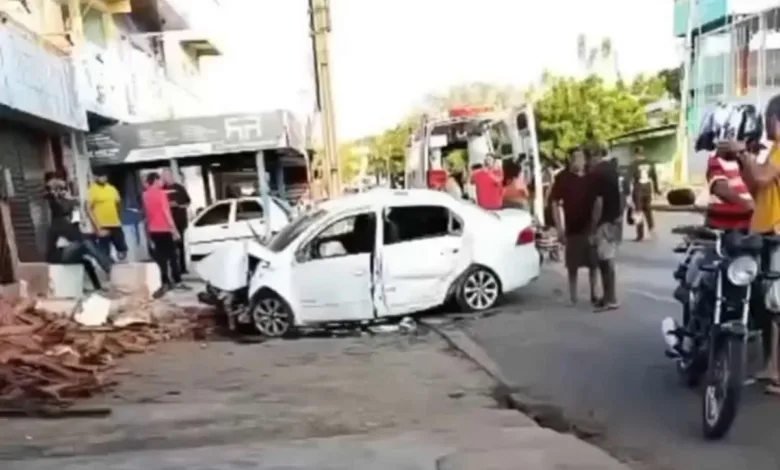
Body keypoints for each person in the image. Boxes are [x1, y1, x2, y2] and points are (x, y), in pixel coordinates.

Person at [737, 96, 780, 394]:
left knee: (776, 306)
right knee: (767, 306)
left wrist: (746, 156)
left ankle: (776, 371)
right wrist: (744, 158)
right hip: (765, 234)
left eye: (767, 118)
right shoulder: (773, 153)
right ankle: (771, 366)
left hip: (776, 236)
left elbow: (762, 179)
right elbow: (754, 186)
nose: (764, 125)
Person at [44, 172, 112, 291]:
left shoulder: (69, 221)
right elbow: (76, 236)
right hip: (57, 255)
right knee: (86, 244)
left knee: (86, 260)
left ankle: (98, 287)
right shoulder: (58, 222)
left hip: (66, 251)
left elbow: (76, 234)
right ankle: (109, 267)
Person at [549, 148, 599, 306]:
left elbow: (599, 200)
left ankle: (594, 293)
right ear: (569, 160)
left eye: (580, 158)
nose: (578, 161)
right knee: (573, 265)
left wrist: (598, 225)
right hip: (572, 228)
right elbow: (554, 203)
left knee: (593, 263)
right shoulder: (562, 178)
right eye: (574, 158)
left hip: (591, 227)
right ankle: (573, 296)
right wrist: (559, 228)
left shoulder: (591, 177)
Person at [589, 147, 623, 311]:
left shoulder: (598, 174)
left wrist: (593, 227)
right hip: (616, 220)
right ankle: (609, 296)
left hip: (604, 222)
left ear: (594, 157)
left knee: (605, 261)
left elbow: (598, 203)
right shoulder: (614, 170)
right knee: (608, 259)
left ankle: (611, 298)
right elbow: (622, 195)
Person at [143, 172, 182, 298]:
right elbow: (166, 212)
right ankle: (176, 280)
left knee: (161, 258)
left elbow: (147, 215)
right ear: (155, 181)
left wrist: (148, 232)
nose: (162, 183)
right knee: (172, 256)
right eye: (160, 180)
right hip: (164, 229)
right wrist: (174, 229)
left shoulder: (145, 195)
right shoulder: (161, 194)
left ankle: (164, 280)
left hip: (153, 230)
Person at [87, 169, 127, 261]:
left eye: (105, 176)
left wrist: (119, 218)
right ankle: (109, 267)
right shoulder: (93, 190)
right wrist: (96, 226)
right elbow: (88, 208)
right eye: (101, 176)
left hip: (115, 223)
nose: (103, 178)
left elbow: (118, 204)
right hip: (102, 224)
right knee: (104, 251)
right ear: (96, 177)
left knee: (122, 248)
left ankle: (121, 263)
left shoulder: (112, 189)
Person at [162, 168, 191, 274]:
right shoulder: (162, 189)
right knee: (170, 247)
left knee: (180, 246)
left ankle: (182, 268)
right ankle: (173, 268)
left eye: (167, 175)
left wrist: (178, 205)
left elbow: (188, 203)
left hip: (179, 221)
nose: (166, 178)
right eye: (164, 176)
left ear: (171, 175)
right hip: (167, 223)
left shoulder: (179, 188)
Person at [627, 146, 660, 240]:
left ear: (636, 154)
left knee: (638, 211)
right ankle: (651, 228)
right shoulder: (650, 163)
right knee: (648, 209)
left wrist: (627, 192)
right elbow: (654, 177)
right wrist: (656, 189)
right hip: (648, 188)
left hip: (638, 188)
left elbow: (628, 179)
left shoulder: (633, 164)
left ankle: (640, 235)